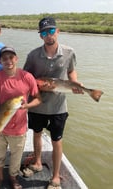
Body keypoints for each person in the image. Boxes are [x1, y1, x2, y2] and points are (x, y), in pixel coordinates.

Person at [23, 17, 83, 189]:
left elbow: (71, 71)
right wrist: (39, 84)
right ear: (40, 36)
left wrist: (75, 83)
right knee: (36, 133)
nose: (48, 35)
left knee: (57, 140)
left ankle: (56, 176)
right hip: (37, 104)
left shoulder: (69, 52)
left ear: (57, 31)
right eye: (44, 32)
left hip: (58, 106)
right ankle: (37, 163)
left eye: (51, 31)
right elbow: (26, 79)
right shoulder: (33, 55)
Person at [0, 46, 41, 189]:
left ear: (16, 59)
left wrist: (27, 106)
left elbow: (38, 99)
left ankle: (13, 178)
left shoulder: (27, 77)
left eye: (11, 57)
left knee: (16, 158)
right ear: (0, 61)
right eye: (4, 58)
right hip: (1, 127)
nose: (8, 61)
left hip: (19, 128)